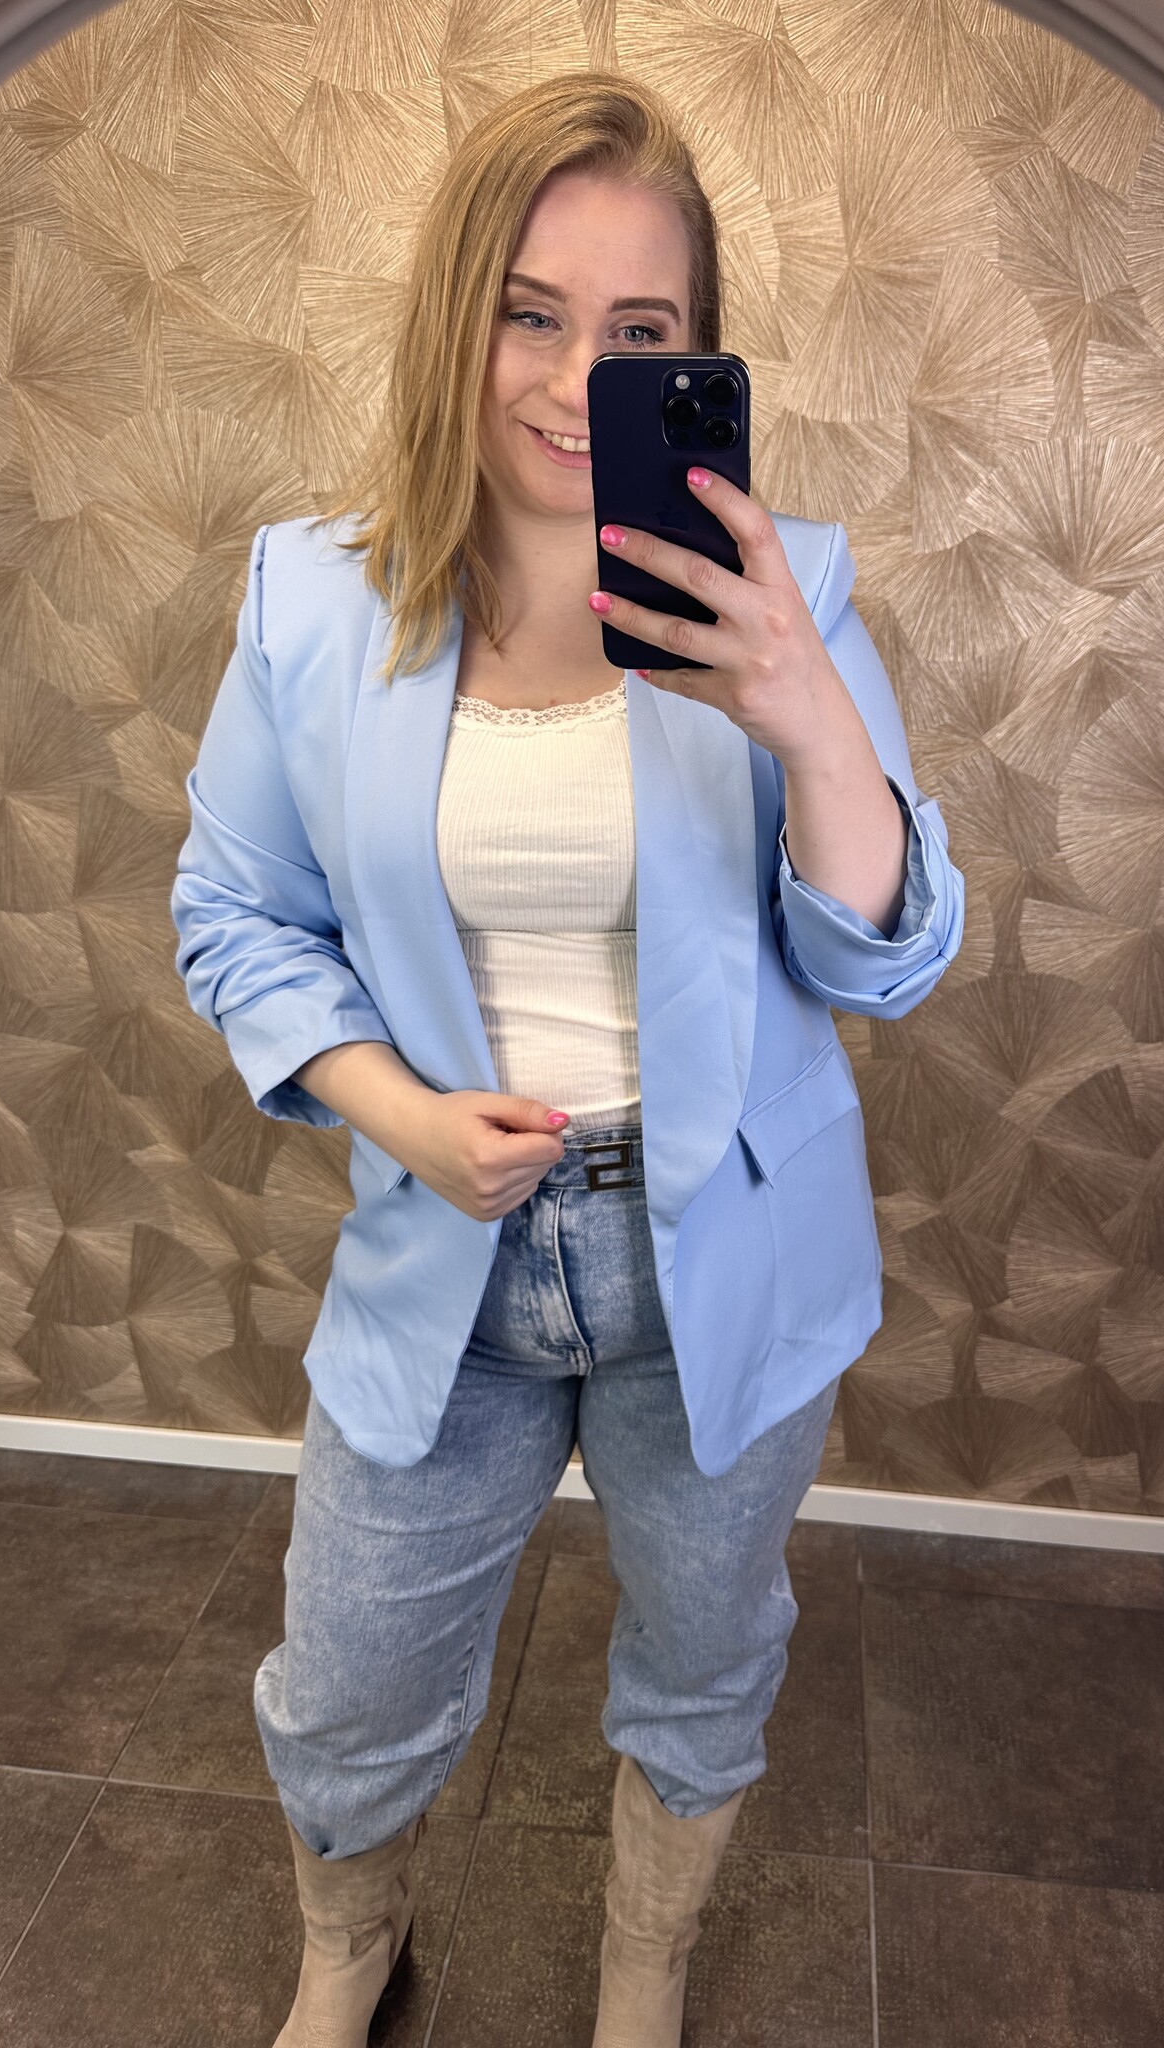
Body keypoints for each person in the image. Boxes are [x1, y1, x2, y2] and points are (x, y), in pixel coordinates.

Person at [171, 68, 963, 2048]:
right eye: (531, 311)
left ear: (693, 359)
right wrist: (401, 1114)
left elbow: (878, 960)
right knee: (347, 1681)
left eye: (638, 333)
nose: (568, 377)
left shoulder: (787, 597)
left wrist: (808, 715)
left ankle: (642, 1973)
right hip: (449, 1246)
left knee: (703, 1666)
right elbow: (236, 916)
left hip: (723, 1269)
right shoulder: (307, 599)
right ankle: (346, 1958)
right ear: (458, 309)